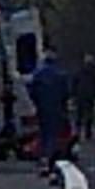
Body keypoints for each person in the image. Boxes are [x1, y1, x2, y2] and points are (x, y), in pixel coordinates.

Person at [28, 50, 71, 182]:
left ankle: (43, 159)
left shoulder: (38, 74)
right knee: (53, 134)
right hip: (56, 108)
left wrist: (37, 103)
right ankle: (51, 158)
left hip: (42, 107)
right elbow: (66, 92)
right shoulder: (60, 75)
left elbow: (32, 91)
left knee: (43, 133)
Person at [72, 54, 95, 142]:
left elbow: (74, 83)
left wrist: (73, 94)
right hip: (89, 96)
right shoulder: (94, 72)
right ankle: (87, 132)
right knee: (88, 115)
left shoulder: (79, 71)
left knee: (79, 115)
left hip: (81, 95)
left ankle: (78, 132)